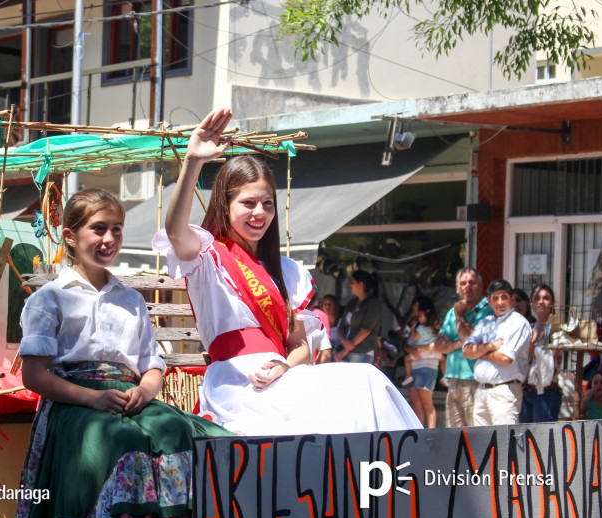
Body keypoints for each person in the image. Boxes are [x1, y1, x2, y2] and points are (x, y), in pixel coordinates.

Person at [154, 108, 421, 435]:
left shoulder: (284, 271)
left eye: (267, 204)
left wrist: (284, 365)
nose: (259, 213)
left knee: (368, 380)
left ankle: (388, 479)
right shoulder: (208, 255)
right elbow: (175, 230)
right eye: (248, 203)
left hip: (284, 378)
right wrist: (193, 161)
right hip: (236, 385)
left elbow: (299, 347)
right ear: (226, 204)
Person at [9, 188, 229, 518]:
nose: (109, 239)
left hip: (129, 396)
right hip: (74, 402)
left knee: (174, 427)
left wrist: (145, 389)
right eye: (98, 229)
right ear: (70, 238)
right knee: (124, 438)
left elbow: (152, 363)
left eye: (117, 229)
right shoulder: (49, 299)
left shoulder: (130, 299)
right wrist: (91, 398)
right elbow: (34, 374)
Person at [418, 268, 493, 428]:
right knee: (455, 438)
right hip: (454, 381)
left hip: (474, 381)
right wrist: (458, 344)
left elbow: (469, 339)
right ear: (457, 288)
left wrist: (460, 316)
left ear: (480, 286)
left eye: (472, 283)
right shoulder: (453, 311)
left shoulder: (486, 310)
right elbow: (439, 345)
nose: (467, 287)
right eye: (463, 283)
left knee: (475, 436)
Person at [463, 279, 533, 426]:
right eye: (496, 298)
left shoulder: (518, 322)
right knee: (481, 444)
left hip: (505, 392)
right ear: (489, 301)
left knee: (504, 443)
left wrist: (480, 351)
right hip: (482, 391)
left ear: (512, 299)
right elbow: (467, 351)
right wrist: (490, 346)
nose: (500, 302)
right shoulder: (485, 322)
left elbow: (505, 358)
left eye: (504, 297)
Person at [520, 284, 563, 423]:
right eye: (537, 298)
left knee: (542, 441)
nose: (541, 302)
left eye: (546, 298)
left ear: (552, 303)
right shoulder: (528, 327)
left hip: (547, 392)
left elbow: (550, 358)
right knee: (524, 440)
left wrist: (530, 343)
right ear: (531, 303)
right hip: (526, 391)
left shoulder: (556, 328)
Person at [402, 296, 442, 428]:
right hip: (415, 365)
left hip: (428, 365)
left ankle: (430, 435)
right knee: (415, 403)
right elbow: (407, 345)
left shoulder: (434, 327)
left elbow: (439, 346)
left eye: (416, 305)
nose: (413, 307)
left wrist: (422, 348)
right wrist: (412, 349)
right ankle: (418, 433)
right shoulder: (414, 325)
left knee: (426, 403)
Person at [334, 270, 382, 363]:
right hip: (345, 350)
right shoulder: (351, 303)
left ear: (361, 284)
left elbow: (366, 330)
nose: (350, 285)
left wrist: (346, 350)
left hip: (361, 352)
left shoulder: (373, 304)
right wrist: (344, 341)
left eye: (352, 283)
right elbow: (341, 327)